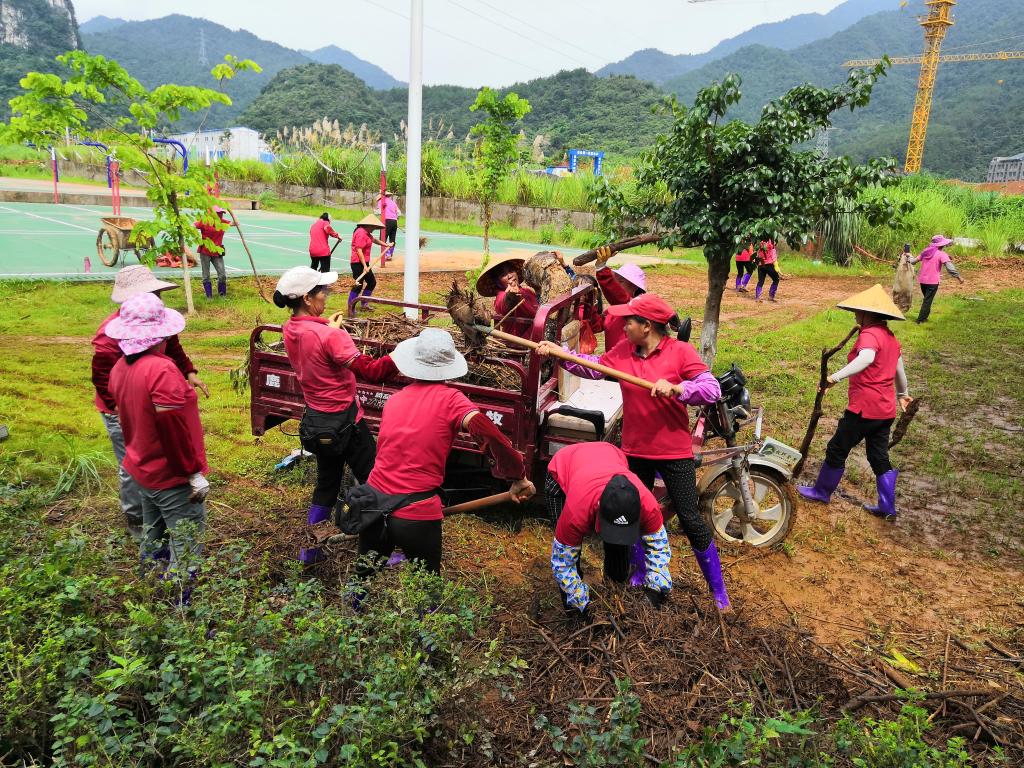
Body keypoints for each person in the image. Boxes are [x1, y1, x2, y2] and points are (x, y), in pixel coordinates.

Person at [536, 293, 731, 611]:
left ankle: (718, 592)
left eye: (629, 321)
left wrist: (679, 388)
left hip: (673, 452)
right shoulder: (625, 351)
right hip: (634, 451)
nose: (623, 325)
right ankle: (640, 574)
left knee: (691, 519)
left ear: (648, 326)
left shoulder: (680, 353)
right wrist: (562, 355)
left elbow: (712, 389)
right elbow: (595, 367)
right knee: (633, 512)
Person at [352, 328, 535, 579]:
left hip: (373, 503)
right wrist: (517, 476)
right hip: (416, 512)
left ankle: (350, 611)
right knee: (427, 589)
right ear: (449, 365)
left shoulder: (395, 400)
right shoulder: (452, 401)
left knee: (361, 580)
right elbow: (489, 434)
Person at [274, 266, 400, 563]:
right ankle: (388, 548)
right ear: (307, 297)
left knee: (327, 484)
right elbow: (372, 370)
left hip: (318, 422)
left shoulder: (291, 328)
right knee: (377, 481)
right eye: (323, 292)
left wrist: (328, 327)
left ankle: (311, 549)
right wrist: (402, 353)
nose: (327, 296)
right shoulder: (330, 338)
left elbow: (314, 336)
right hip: (347, 423)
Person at [92, 266, 208, 542]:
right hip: (126, 410)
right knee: (135, 464)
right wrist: (191, 472)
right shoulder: (119, 348)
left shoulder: (133, 359)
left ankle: (152, 547)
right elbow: (170, 426)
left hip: (137, 406)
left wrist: (188, 371)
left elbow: (172, 345)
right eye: (153, 294)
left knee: (143, 467)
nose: (158, 299)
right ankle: (136, 519)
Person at [106, 293, 209, 585]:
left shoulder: (120, 368)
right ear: (159, 336)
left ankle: (149, 588)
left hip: (143, 469)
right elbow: (171, 427)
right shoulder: (161, 370)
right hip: (171, 476)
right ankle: (181, 606)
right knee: (186, 542)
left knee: (154, 533)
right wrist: (192, 474)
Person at [797, 285, 912, 519]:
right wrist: (902, 394)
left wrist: (834, 378)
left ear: (868, 314)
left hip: (864, 409)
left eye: (858, 311)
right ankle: (887, 507)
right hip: (885, 410)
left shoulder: (869, 335)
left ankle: (821, 491)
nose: (855, 314)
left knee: (837, 448)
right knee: (878, 457)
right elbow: (899, 370)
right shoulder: (890, 337)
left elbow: (867, 358)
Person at [546, 442, 672, 616]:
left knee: (618, 549)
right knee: (571, 552)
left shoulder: (648, 505)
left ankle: (614, 591)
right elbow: (563, 563)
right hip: (564, 466)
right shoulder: (576, 512)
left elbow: (659, 547)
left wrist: (655, 590)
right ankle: (574, 610)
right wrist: (583, 605)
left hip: (611, 454)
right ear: (598, 509)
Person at [593, 245, 646, 350]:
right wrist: (590, 302)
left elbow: (620, 299)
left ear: (634, 286)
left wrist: (602, 269)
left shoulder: (636, 309)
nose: (616, 284)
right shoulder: (612, 312)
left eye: (620, 281)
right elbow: (596, 326)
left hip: (629, 362)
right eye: (615, 280)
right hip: (611, 362)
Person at [476, 256, 540, 337]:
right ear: (497, 282)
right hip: (521, 342)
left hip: (538, 335)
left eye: (511, 271)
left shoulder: (527, 291)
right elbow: (506, 303)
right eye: (503, 275)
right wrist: (511, 295)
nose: (510, 276)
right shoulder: (501, 296)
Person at [912, 234, 964, 324]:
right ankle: (920, 320)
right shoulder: (942, 254)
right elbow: (950, 268)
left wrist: (908, 257)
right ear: (942, 245)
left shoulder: (925, 252)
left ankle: (924, 318)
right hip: (932, 282)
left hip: (922, 281)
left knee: (927, 299)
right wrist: (959, 277)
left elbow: (913, 261)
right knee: (927, 300)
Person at [348, 214, 390, 316]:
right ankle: (350, 307)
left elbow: (374, 240)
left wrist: (386, 245)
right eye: (374, 227)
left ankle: (364, 304)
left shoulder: (367, 233)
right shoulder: (361, 233)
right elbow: (359, 250)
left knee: (371, 282)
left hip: (364, 263)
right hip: (357, 263)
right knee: (358, 285)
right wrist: (365, 266)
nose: (375, 229)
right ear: (369, 225)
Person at [195, 206, 231, 299]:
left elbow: (237, 223)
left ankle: (222, 295)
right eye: (218, 213)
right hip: (205, 252)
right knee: (206, 275)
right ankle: (209, 296)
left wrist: (232, 213)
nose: (220, 215)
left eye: (221, 214)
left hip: (217, 252)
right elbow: (193, 226)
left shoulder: (223, 222)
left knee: (222, 274)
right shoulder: (205, 222)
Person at [376, 191, 402, 266]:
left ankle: (387, 254)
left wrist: (374, 211)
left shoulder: (381, 201)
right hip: (394, 222)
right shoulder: (393, 203)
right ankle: (390, 254)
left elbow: (378, 212)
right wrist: (395, 218)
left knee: (382, 239)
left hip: (386, 221)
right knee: (392, 239)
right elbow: (399, 213)